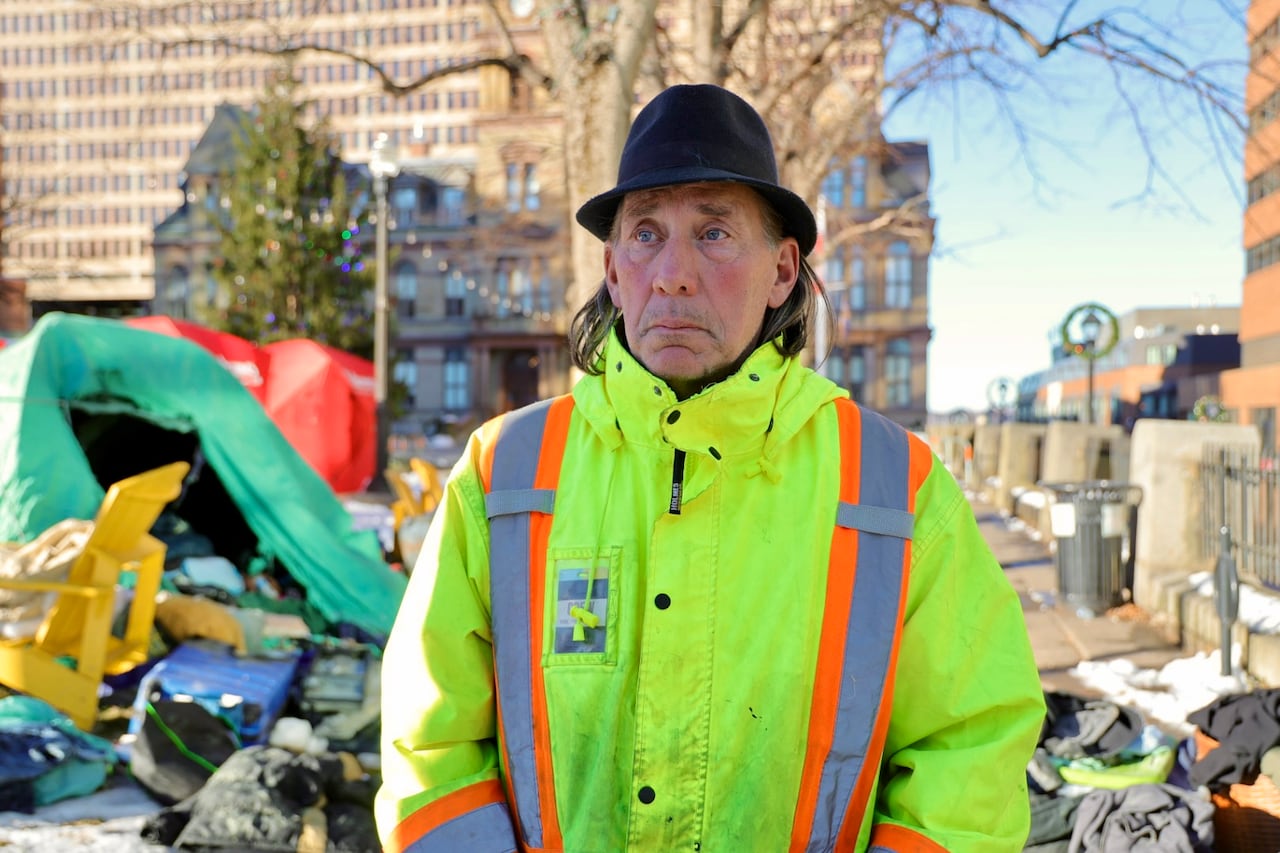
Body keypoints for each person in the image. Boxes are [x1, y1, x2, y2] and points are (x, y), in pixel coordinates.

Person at [376, 83, 1045, 852]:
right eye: (647, 235)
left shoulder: (896, 487)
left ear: (784, 271)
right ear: (614, 271)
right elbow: (428, 747)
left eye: (716, 232)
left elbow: (973, 746)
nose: (673, 273)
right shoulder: (503, 474)